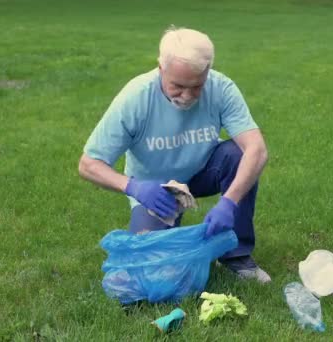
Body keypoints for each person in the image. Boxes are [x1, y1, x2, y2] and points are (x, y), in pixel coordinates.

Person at [78, 27, 271, 283]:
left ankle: (235, 256)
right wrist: (134, 187)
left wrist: (230, 202)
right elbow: (89, 164)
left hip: (202, 170)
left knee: (238, 155)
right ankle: (164, 227)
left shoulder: (221, 87)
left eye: (197, 86)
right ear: (160, 68)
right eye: (178, 86)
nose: (188, 96)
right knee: (155, 271)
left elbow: (257, 150)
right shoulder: (136, 98)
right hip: (156, 190)